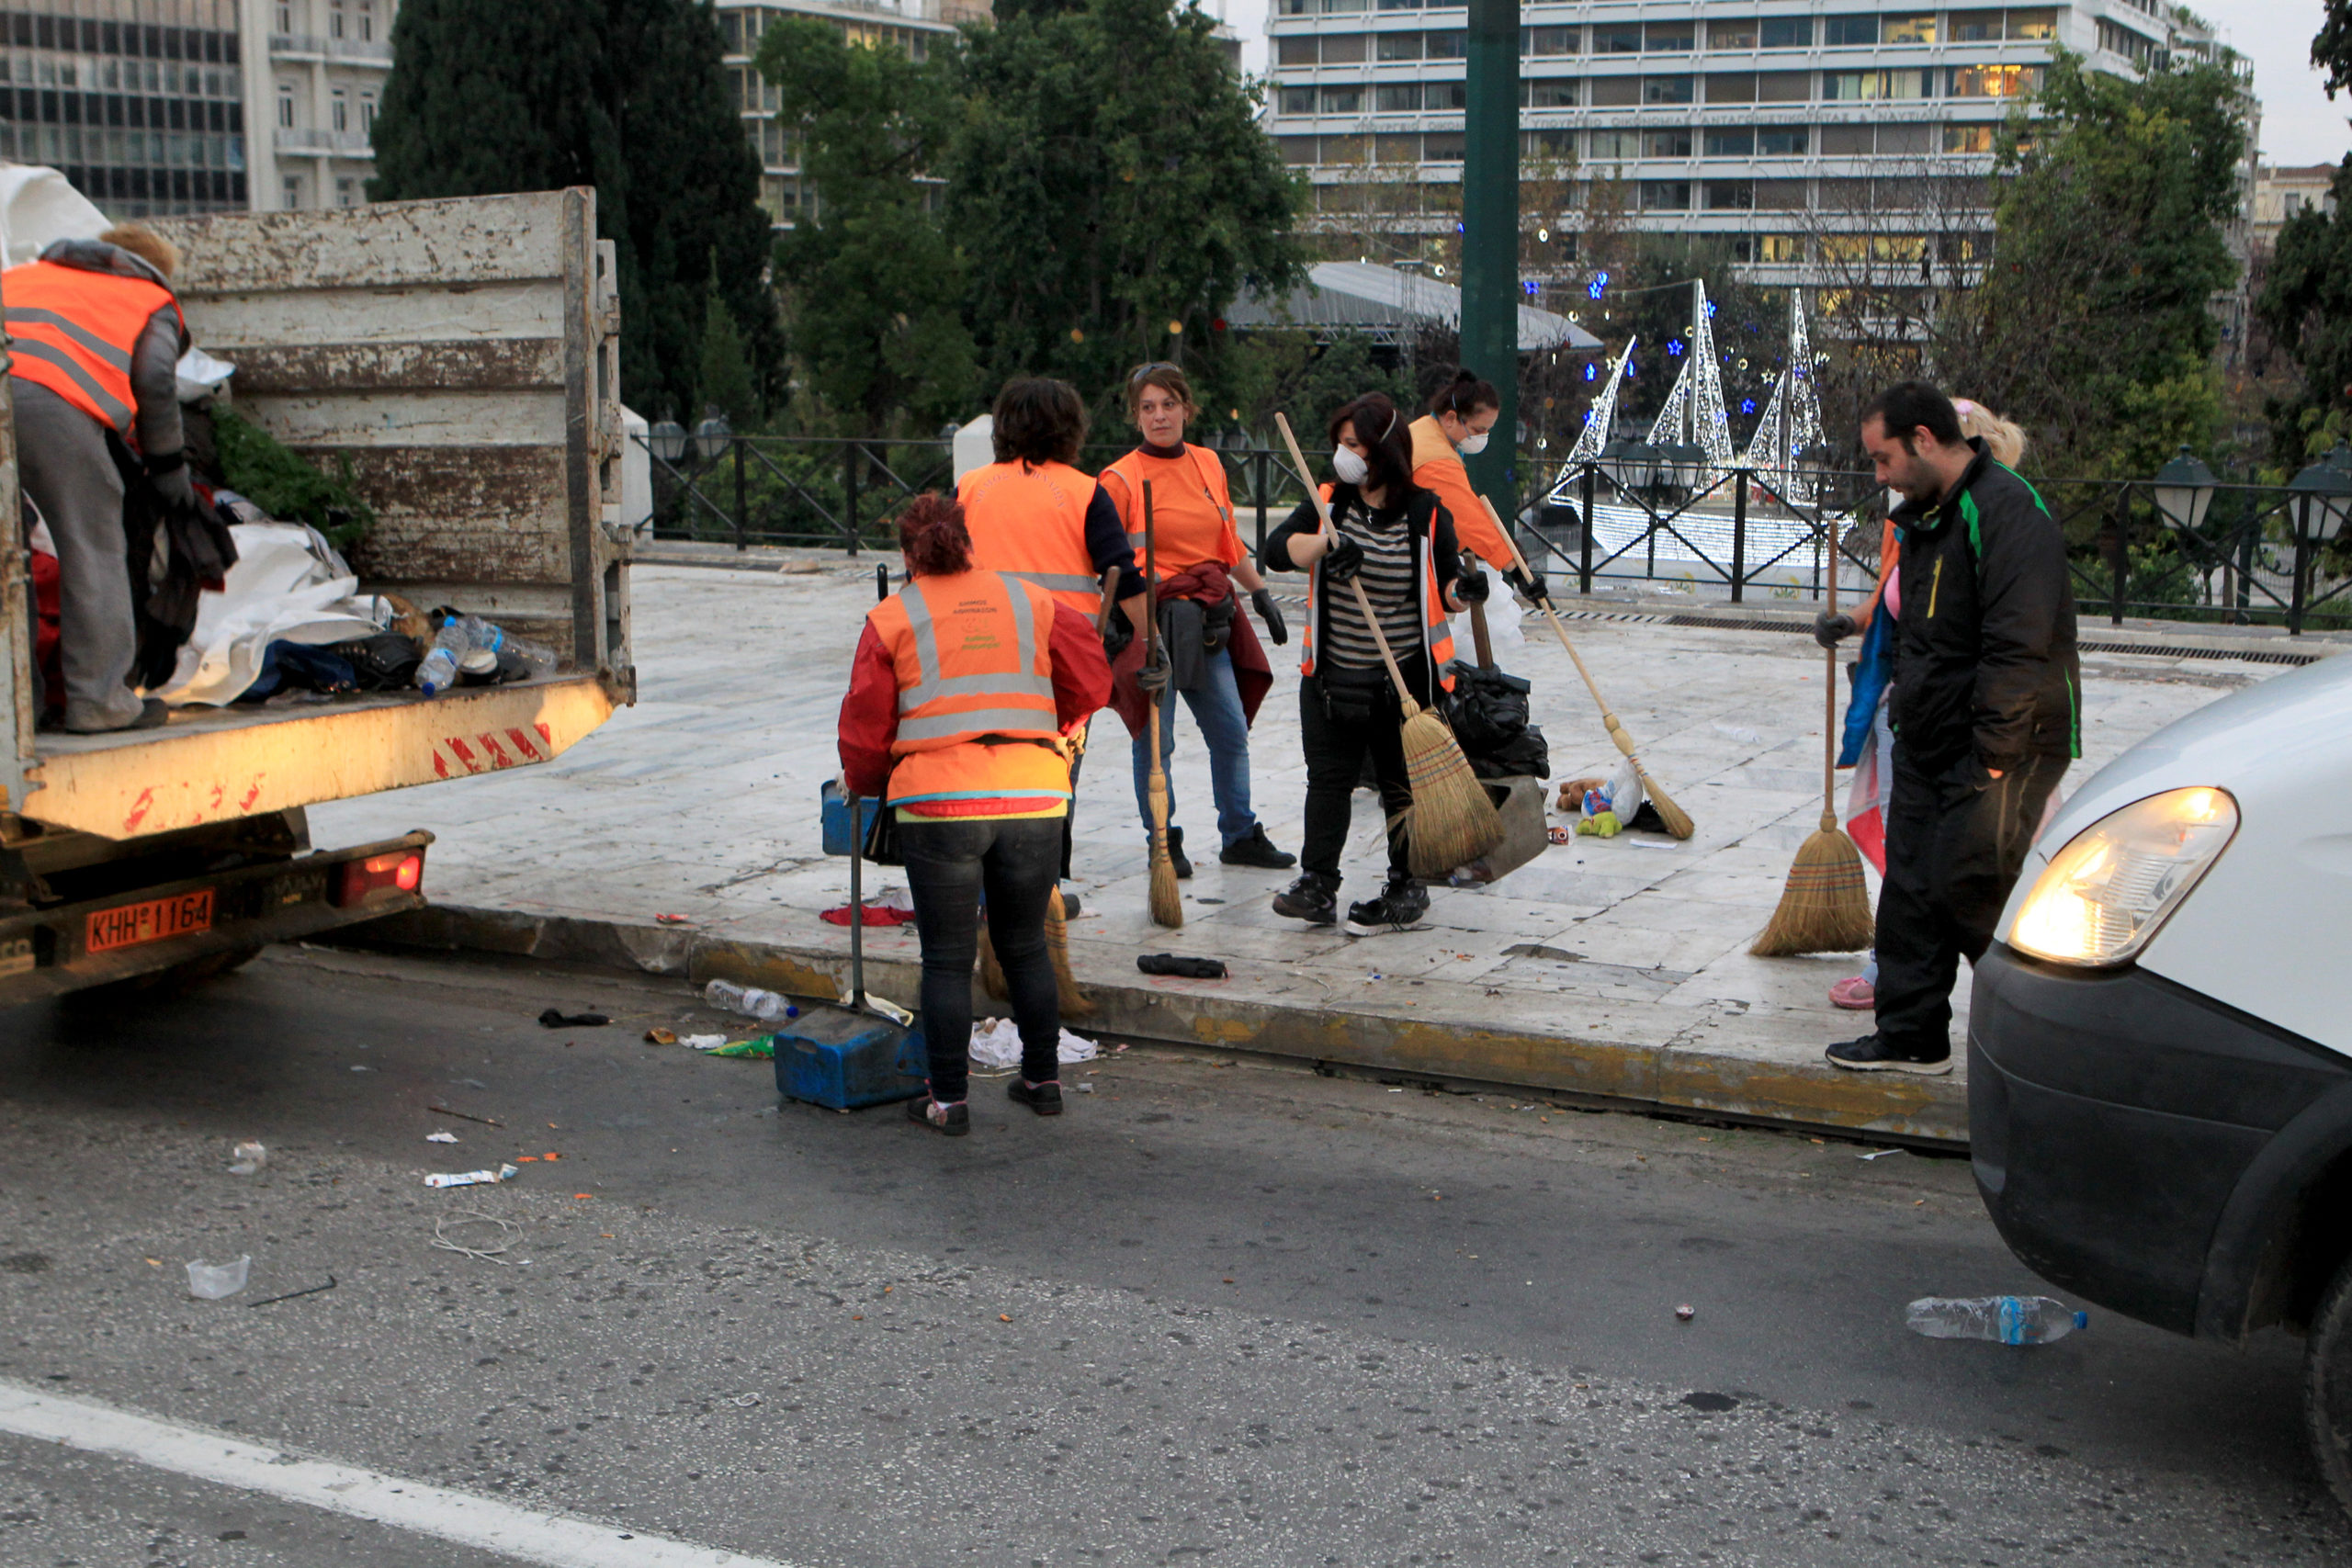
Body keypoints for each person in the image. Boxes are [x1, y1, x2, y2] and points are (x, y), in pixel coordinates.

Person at [1819, 381, 2078, 1075]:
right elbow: (1920, 630)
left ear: (1924, 441)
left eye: (1883, 459)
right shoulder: (1925, 517)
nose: (1879, 476)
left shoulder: (2007, 512)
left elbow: (2017, 647)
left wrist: (1993, 757)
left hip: (2004, 750)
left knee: (1975, 895)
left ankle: (2046, 1047)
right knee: (1910, 888)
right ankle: (1910, 1034)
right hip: (1929, 740)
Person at [837, 493, 1113, 1135]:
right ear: (969, 541)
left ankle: (948, 1100)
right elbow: (1090, 680)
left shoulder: (891, 617)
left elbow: (864, 730)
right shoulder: (1030, 600)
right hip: (1035, 794)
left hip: (939, 803)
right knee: (1024, 946)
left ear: (908, 555)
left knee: (946, 957)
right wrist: (1048, 729)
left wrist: (876, 784)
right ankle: (1043, 1082)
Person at [1261, 392, 1469, 934]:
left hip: (1401, 681)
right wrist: (1325, 547)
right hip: (1330, 678)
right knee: (1326, 783)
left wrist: (1464, 590)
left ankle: (1407, 884)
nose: (1343, 454)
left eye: (1354, 444)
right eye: (1340, 443)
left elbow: (1446, 587)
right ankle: (1317, 884)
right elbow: (1276, 550)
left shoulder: (1425, 511)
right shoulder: (1328, 498)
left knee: (1401, 785)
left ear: (1384, 451)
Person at [956, 377, 1144, 911]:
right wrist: (1152, 645)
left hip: (975, 656)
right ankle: (1042, 896)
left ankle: (984, 892)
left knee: (985, 775)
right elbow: (1124, 580)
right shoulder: (1085, 492)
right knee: (1051, 778)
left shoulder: (971, 487)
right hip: (1054, 668)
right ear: (1070, 428)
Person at [1098, 363, 1293, 874]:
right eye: (1147, 407)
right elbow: (1107, 568)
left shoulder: (1207, 464)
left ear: (1187, 408)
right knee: (1155, 740)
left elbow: (1227, 542)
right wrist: (1134, 635)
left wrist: (1262, 592)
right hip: (1151, 623)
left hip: (1207, 622)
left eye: (1168, 404)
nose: (1159, 416)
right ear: (1135, 416)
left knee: (1230, 730)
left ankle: (1239, 833)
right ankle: (1162, 838)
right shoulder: (1119, 479)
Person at [4, 224, 193, 732]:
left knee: (6, 556)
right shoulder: (148, 296)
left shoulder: (22, 275)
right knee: (92, 540)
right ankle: (100, 701)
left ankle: (16, 708)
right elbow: (154, 377)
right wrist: (170, 470)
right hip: (49, 405)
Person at [1406, 368, 1550, 605]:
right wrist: (1519, 571)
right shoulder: (1436, 459)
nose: (1483, 437)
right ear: (1451, 418)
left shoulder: (1423, 430)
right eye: (1478, 430)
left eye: (1488, 430)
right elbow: (1468, 521)